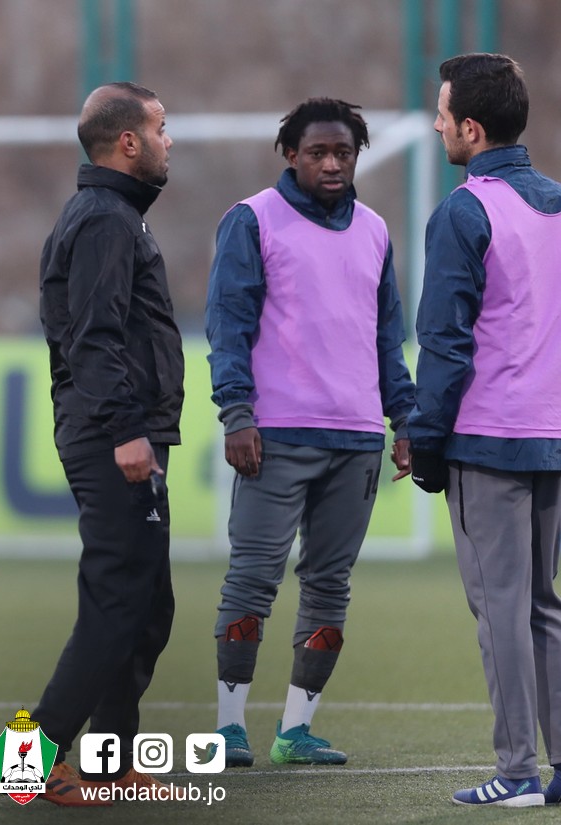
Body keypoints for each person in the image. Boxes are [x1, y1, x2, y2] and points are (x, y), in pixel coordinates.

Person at [406, 53, 561, 807]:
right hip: (556, 437)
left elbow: (445, 343)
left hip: (487, 441)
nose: (436, 126)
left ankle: (518, 769)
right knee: (544, 602)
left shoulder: (464, 211)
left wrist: (428, 442)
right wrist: (553, 402)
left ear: (471, 128)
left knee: (500, 611)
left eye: (442, 114)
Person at [204, 99, 415, 769]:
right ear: (290, 155)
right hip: (275, 435)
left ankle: (295, 732)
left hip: (357, 440)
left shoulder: (376, 230)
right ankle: (228, 729)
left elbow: (387, 337)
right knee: (252, 578)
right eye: (317, 152)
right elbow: (228, 325)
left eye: (343, 153)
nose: (331, 163)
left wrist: (404, 419)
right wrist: (237, 414)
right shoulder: (252, 219)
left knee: (330, 584)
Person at [32, 81, 184, 807]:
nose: (168, 141)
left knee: (148, 605)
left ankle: (109, 761)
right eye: (160, 128)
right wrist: (126, 429)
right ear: (128, 142)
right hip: (110, 434)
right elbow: (93, 338)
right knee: (117, 602)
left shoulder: (118, 215)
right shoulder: (103, 221)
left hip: (125, 431)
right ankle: (25, 761)